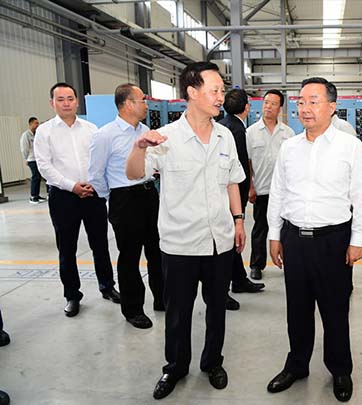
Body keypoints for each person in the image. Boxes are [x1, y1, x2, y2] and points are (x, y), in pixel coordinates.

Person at [125, 62, 245, 400]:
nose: (221, 97)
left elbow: (232, 181)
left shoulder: (224, 135)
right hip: (180, 244)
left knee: (217, 308)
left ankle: (212, 362)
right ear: (192, 92)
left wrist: (238, 220)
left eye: (222, 91)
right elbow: (133, 174)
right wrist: (139, 147)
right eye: (214, 90)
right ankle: (175, 367)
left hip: (220, 240)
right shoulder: (166, 137)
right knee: (178, 313)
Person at [266, 77, 362, 403]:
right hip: (294, 238)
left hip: (333, 241)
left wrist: (357, 240)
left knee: (335, 310)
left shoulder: (349, 146)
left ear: (332, 106)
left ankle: (340, 369)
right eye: (301, 101)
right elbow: (278, 193)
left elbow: (360, 197)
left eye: (314, 101)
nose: (305, 108)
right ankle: (297, 365)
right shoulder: (289, 147)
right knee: (297, 309)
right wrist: (274, 235)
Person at [34, 83, 120, 317]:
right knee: (67, 248)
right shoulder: (45, 131)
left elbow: (100, 160)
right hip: (63, 197)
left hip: (92, 194)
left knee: (100, 244)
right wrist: (72, 186)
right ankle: (72, 295)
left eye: (70, 98)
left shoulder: (91, 129)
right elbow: (44, 166)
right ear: (52, 103)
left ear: (77, 101)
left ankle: (107, 286)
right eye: (60, 99)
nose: (66, 103)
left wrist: (94, 183)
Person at [88, 84, 164, 329]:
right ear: (128, 104)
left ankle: (162, 298)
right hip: (124, 199)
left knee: (157, 251)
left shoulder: (146, 131)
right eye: (142, 100)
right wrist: (114, 197)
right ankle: (133, 309)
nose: (147, 105)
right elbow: (96, 175)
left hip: (150, 194)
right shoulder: (105, 135)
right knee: (130, 257)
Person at [218, 88, 265, 311]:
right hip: (232, 194)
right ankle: (223, 290)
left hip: (224, 193)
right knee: (228, 241)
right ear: (247, 107)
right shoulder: (236, 130)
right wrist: (245, 193)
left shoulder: (222, 124)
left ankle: (238, 279)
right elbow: (238, 168)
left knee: (230, 240)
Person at [246, 89, 295, 280]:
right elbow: (248, 162)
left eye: (273, 104)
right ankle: (256, 265)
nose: (268, 106)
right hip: (262, 189)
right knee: (260, 228)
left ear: (280, 108)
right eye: (266, 102)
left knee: (286, 230)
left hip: (284, 192)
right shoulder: (251, 132)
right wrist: (251, 187)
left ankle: (288, 262)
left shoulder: (288, 133)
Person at [20, 116, 46, 204]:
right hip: (31, 159)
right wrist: (26, 158)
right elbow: (24, 148)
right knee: (35, 177)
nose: (37, 125)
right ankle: (33, 196)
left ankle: (37, 195)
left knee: (38, 177)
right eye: (36, 123)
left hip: (37, 159)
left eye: (38, 123)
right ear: (30, 124)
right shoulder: (26, 135)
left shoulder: (36, 134)